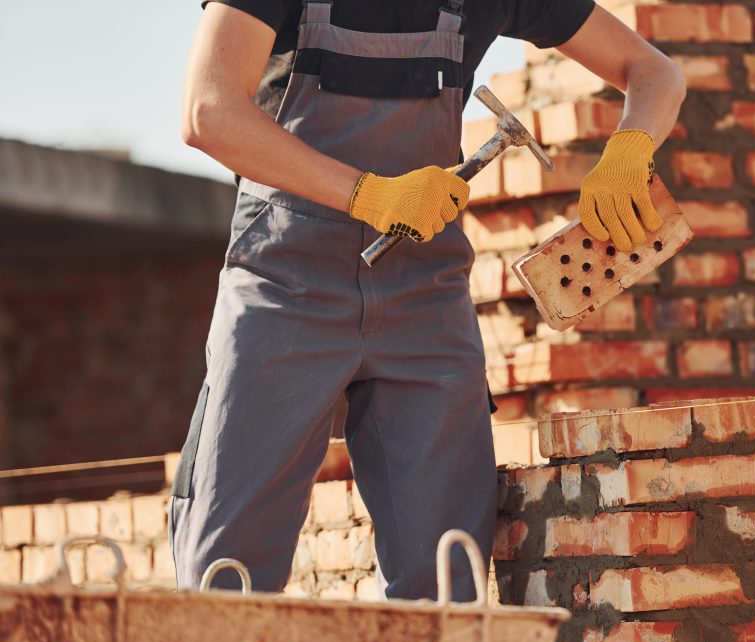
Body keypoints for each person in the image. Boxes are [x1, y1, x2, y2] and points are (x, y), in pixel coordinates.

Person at [169, 0, 687, 600]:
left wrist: (630, 147)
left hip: (424, 296)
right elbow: (208, 111)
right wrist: (367, 195)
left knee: (446, 575)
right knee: (225, 568)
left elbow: (654, 71)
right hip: (285, 284)